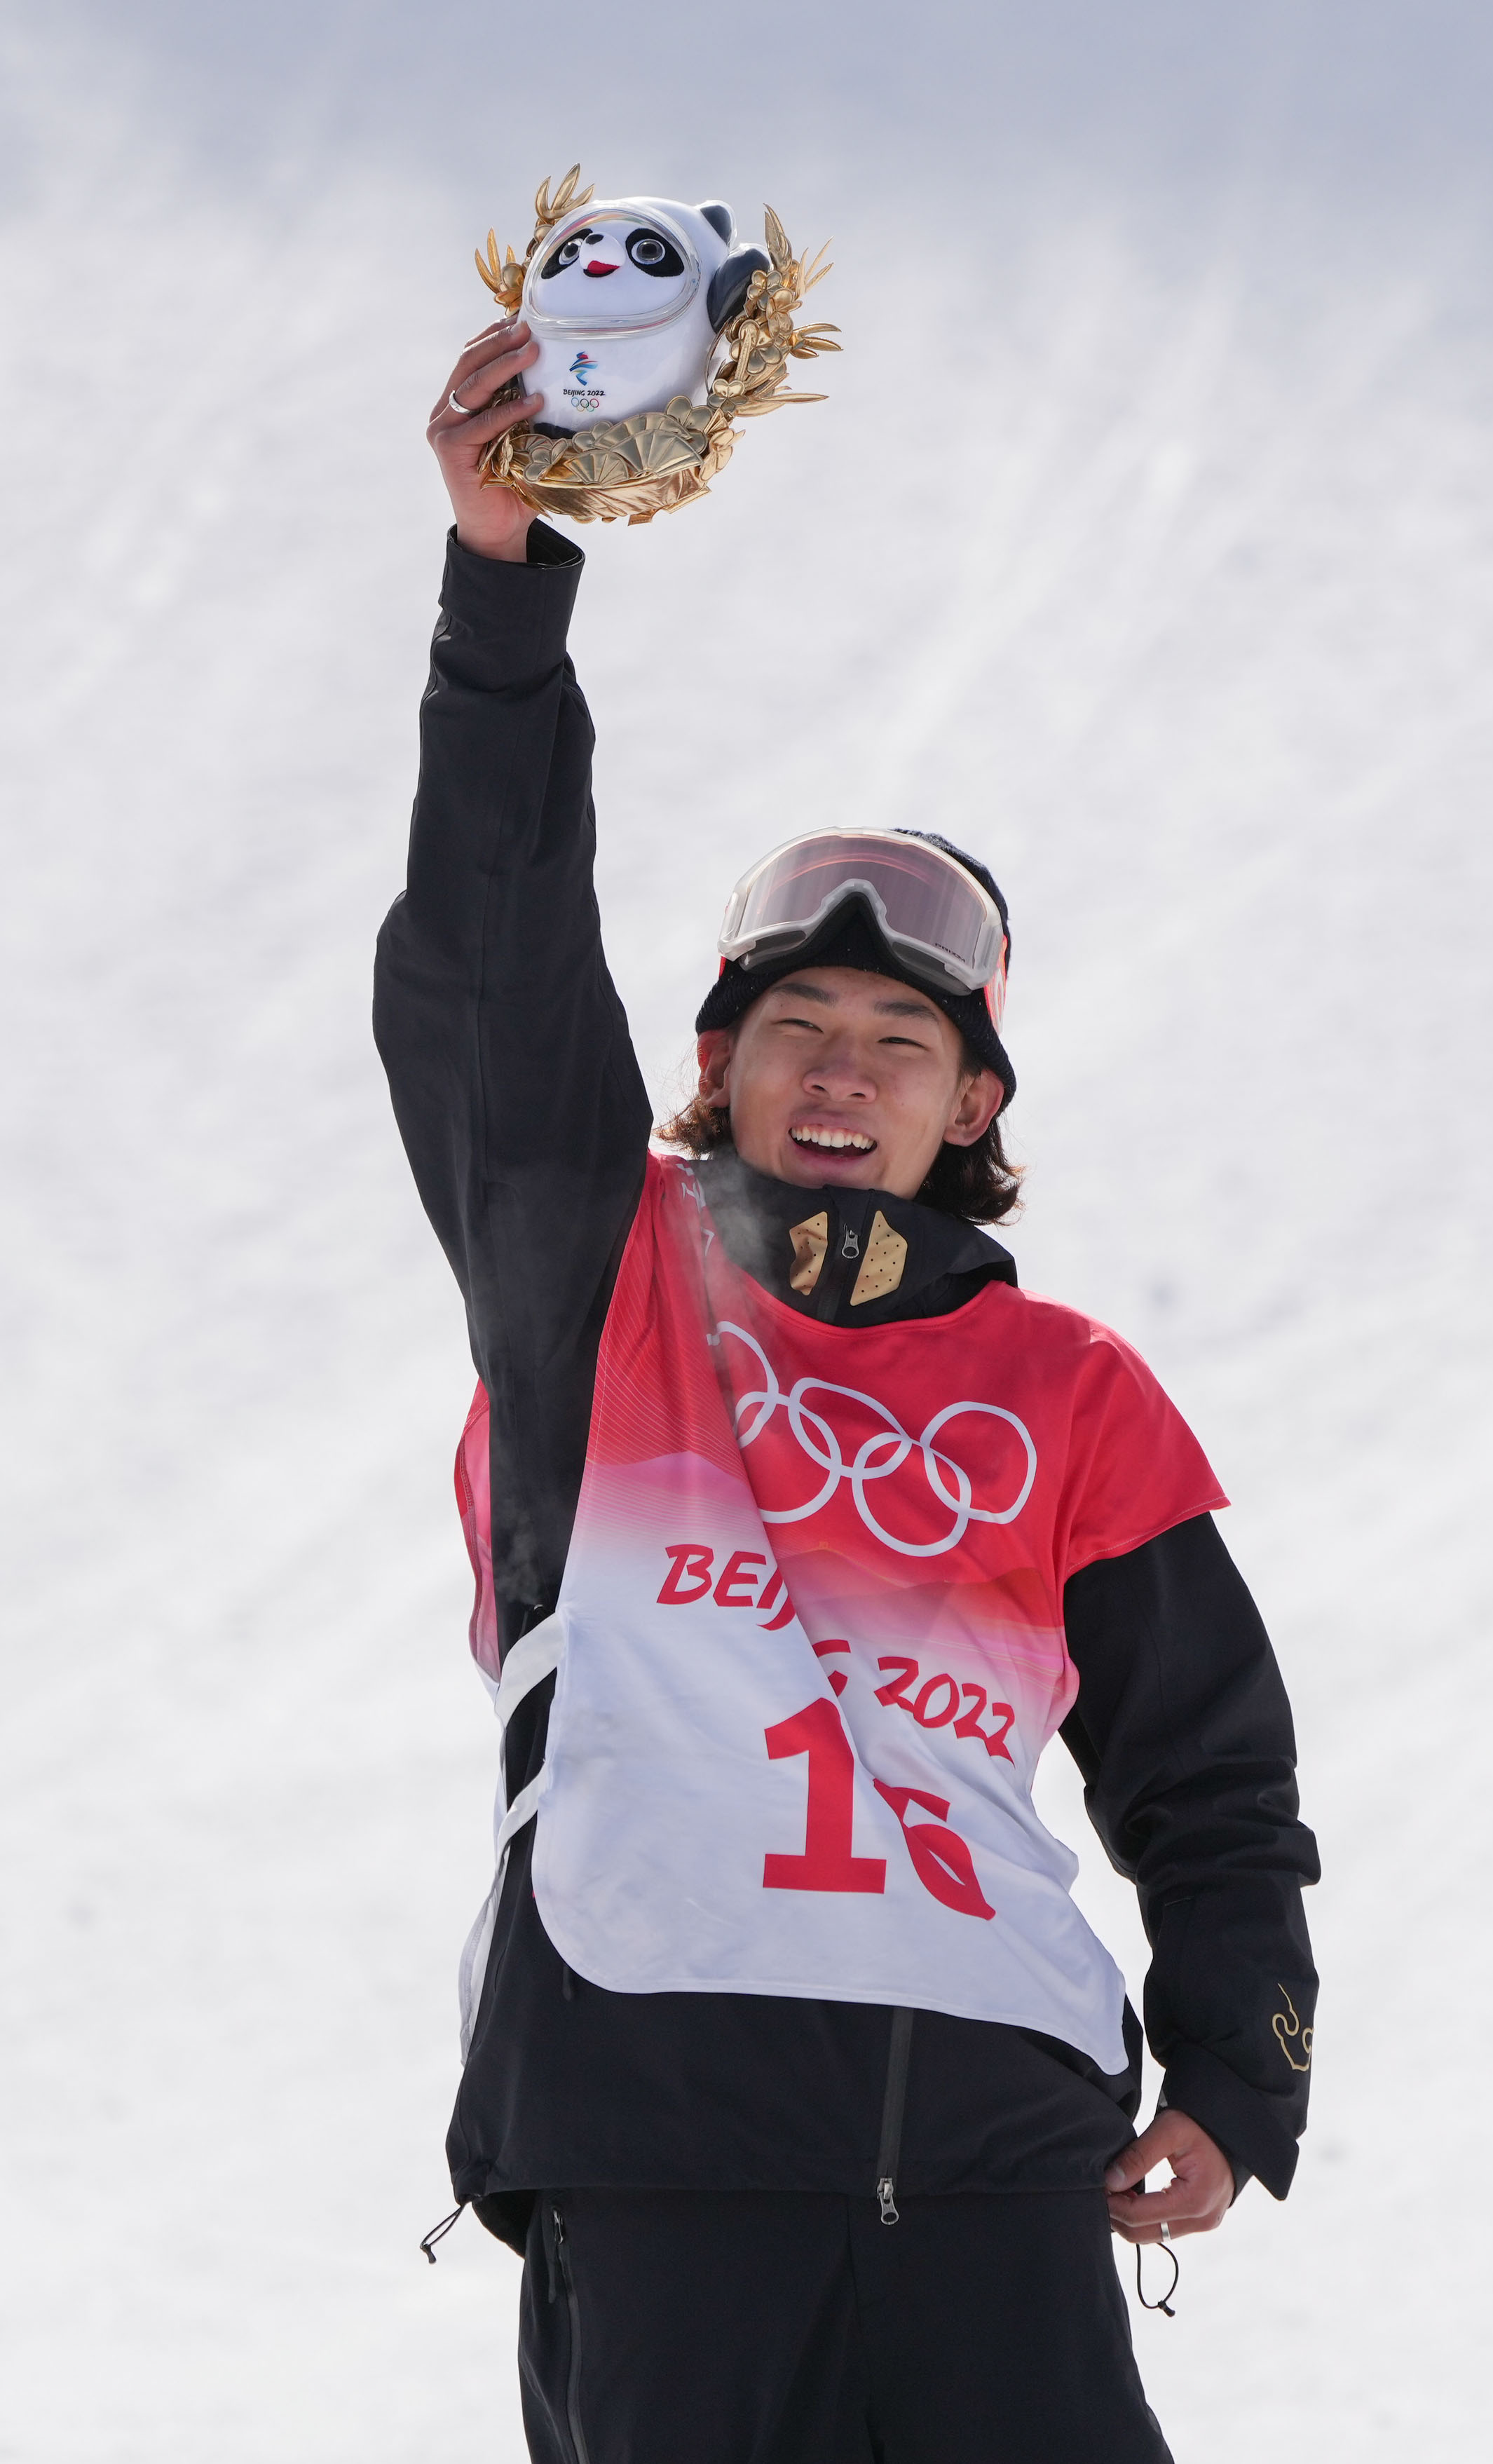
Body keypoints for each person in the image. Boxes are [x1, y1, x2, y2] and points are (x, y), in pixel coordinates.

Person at [374, 313, 1321, 2464]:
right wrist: (504, 583)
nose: (841, 1071)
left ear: (972, 1100)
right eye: (797, 1021)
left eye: (901, 1043)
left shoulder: (1073, 1389)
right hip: (661, 2135)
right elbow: (487, 958)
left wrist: (1239, 2068)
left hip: (999, 2153)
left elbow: (1212, 1773)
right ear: (713, 1071)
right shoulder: (591, 1279)